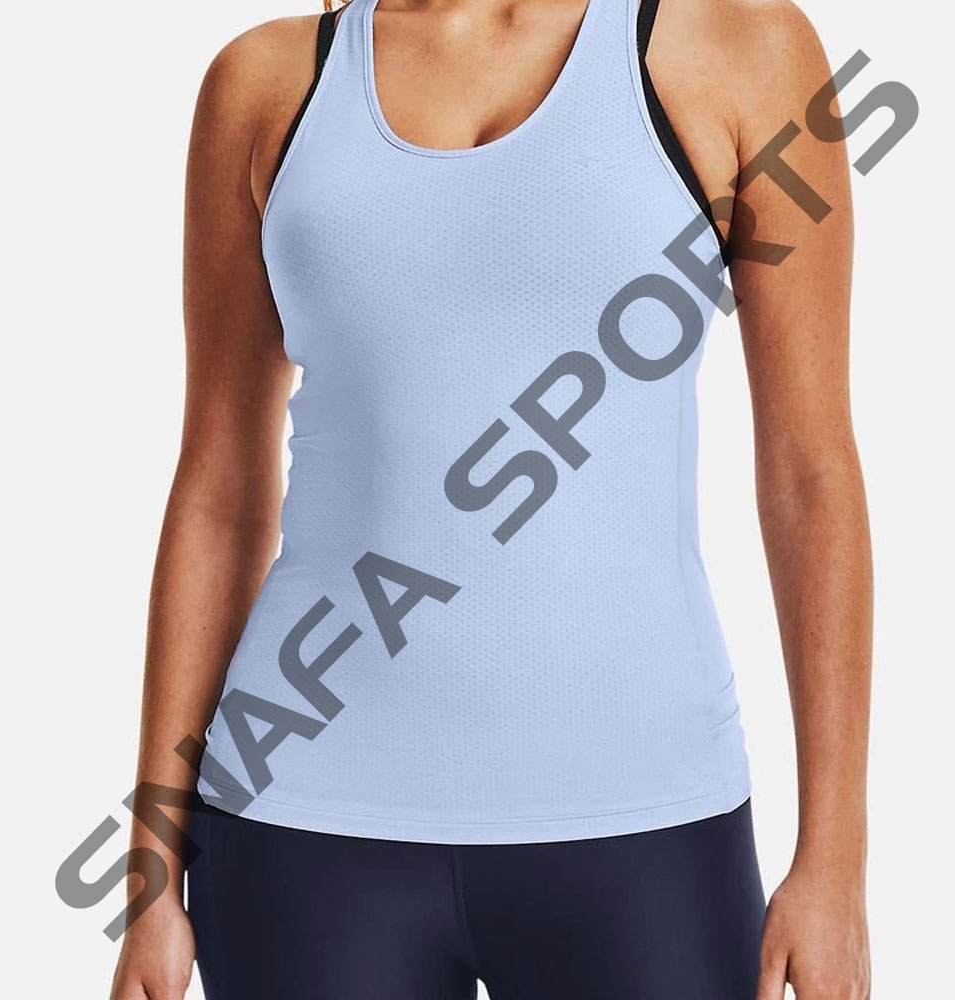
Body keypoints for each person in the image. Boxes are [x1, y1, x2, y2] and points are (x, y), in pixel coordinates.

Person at [110, 0, 872, 997]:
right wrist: (151, 871)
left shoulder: (737, 52)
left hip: (643, 822)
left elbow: (809, 472)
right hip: (300, 827)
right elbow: (219, 487)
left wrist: (835, 863)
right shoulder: (266, 84)